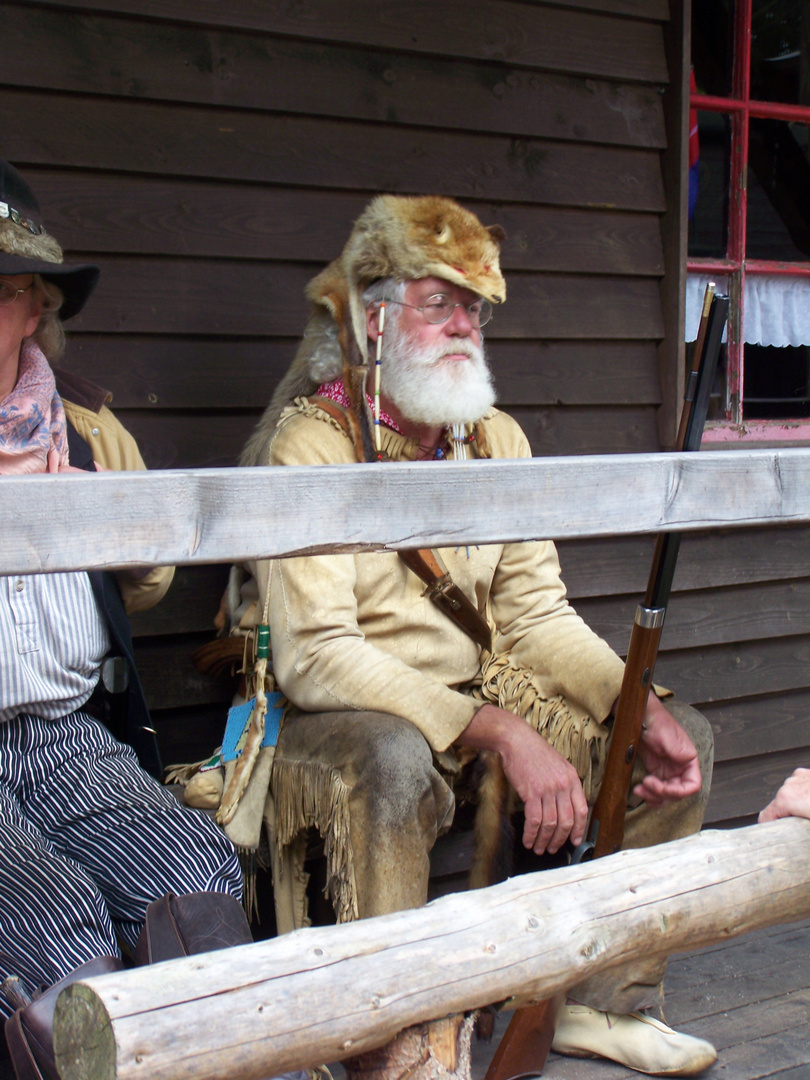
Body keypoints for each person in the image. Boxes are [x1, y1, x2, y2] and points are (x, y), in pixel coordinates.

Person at [235, 194, 717, 1078]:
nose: (466, 324)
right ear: (373, 322)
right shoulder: (310, 446)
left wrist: (631, 701)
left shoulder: (496, 439)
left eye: (476, 307)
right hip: (352, 712)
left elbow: (535, 614)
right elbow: (314, 657)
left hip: (479, 694)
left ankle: (600, 1004)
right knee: (391, 760)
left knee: (668, 738)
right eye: (439, 301)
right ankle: (399, 1037)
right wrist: (495, 730)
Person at [0, 158, 248, 1080]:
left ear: (35, 310)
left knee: (195, 874)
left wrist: (127, 539)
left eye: (2, 291)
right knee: (48, 916)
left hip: (68, 736)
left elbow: (141, 587)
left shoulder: (92, 434)